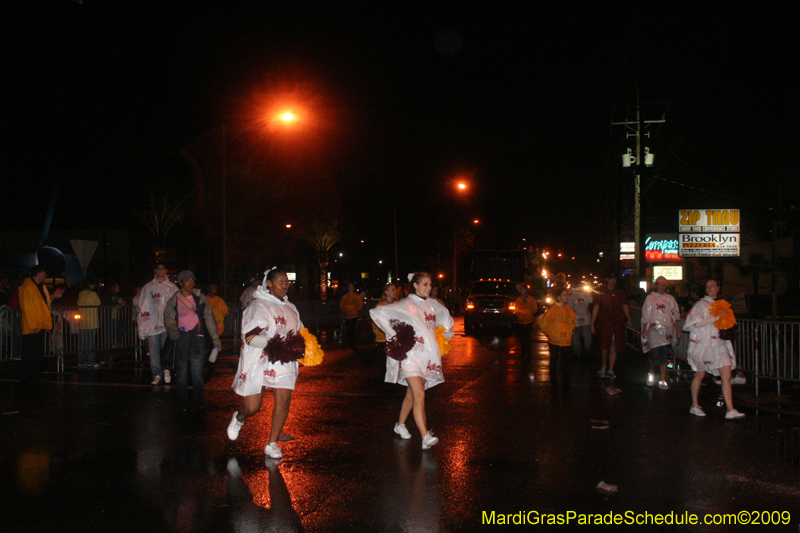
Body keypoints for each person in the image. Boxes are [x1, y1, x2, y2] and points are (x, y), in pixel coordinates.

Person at [370, 272, 454, 450]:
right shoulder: (405, 304)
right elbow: (377, 313)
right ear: (414, 285)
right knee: (420, 394)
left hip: (428, 356)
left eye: (430, 285)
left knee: (412, 394)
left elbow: (447, 320)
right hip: (410, 356)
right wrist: (395, 336)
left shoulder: (433, 305)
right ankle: (425, 436)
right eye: (425, 284)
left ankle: (400, 424)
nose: (428, 288)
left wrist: (442, 336)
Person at [227, 269, 305, 459]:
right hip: (261, 360)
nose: (285, 285)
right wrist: (274, 344)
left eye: (287, 282)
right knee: (252, 407)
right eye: (280, 282)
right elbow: (249, 336)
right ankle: (239, 417)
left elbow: (300, 330)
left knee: (284, 401)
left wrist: (303, 345)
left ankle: (271, 444)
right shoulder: (259, 305)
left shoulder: (291, 307)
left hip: (284, 360)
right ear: (269, 283)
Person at [684, 279, 745, 419]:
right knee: (700, 375)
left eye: (713, 286)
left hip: (719, 344)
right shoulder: (700, 304)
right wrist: (715, 318)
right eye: (707, 286)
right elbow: (693, 324)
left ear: (718, 288)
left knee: (726, 376)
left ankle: (730, 409)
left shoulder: (722, 305)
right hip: (703, 345)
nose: (710, 288)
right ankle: (694, 405)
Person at [164, 271, 221, 413]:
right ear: (181, 282)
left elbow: (209, 318)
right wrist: (174, 334)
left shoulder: (199, 297)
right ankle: (183, 403)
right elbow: (168, 318)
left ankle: (200, 402)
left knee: (197, 373)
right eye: (187, 280)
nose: (190, 283)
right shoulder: (174, 299)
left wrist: (216, 340)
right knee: (181, 373)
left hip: (198, 339)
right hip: (181, 339)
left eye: (192, 280)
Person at [18, 266, 64, 383]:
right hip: (32, 326)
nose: (46, 275)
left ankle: (34, 374)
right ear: (38, 273)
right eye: (44, 272)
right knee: (30, 352)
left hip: (39, 325)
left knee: (37, 352)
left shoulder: (41, 287)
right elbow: (27, 308)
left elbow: (44, 305)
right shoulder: (27, 287)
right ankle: (27, 376)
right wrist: (34, 325)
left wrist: (53, 296)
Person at [137, 263, 179, 385]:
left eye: (163, 268)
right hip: (152, 324)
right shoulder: (148, 287)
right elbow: (143, 304)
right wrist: (144, 322)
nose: (161, 270)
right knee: (153, 351)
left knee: (168, 350)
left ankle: (166, 370)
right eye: (158, 268)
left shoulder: (172, 287)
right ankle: (156, 374)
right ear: (155, 270)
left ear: (166, 270)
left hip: (167, 324)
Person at [641, 276, 681, 389]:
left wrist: (677, 329)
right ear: (656, 285)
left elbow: (675, 315)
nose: (663, 287)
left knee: (664, 356)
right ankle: (651, 373)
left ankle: (662, 379)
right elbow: (646, 314)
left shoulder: (670, 299)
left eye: (665, 285)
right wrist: (645, 328)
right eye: (661, 284)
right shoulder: (650, 298)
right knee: (654, 355)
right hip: (654, 331)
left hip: (667, 331)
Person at [591, 273, 632, 379]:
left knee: (614, 346)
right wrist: (592, 322)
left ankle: (610, 369)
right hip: (605, 323)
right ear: (607, 280)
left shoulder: (620, 292)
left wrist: (628, 318)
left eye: (614, 279)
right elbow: (596, 306)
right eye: (611, 279)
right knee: (605, 345)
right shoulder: (601, 292)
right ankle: (604, 365)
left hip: (617, 323)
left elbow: (624, 305)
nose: (613, 282)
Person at [539, 288, 577, 392]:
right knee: (554, 362)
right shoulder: (553, 310)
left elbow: (573, 323)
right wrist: (550, 333)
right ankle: (554, 383)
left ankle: (565, 383)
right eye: (564, 295)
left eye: (567, 295)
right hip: (554, 341)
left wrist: (568, 332)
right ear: (559, 297)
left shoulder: (569, 311)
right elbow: (543, 323)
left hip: (566, 342)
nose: (566, 297)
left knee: (565, 363)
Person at [77, 279, 102, 368]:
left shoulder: (80, 294)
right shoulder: (93, 294)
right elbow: (98, 302)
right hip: (92, 321)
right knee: (90, 343)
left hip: (83, 322)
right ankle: (90, 361)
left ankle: (81, 361)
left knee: (82, 343)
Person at [567, 287, 593, 360]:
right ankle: (576, 356)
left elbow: (591, 303)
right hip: (575, 321)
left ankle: (587, 355)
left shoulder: (587, 294)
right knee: (575, 340)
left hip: (586, 320)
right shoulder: (572, 295)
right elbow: (569, 307)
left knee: (587, 340)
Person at [514, 283, 538, 360]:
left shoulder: (531, 299)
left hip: (528, 321)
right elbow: (517, 309)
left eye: (523, 289)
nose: (522, 291)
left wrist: (530, 314)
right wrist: (521, 315)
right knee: (523, 337)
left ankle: (528, 352)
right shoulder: (518, 300)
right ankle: (524, 351)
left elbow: (535, 308)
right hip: (521, 321)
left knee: (527, 337)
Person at [371, 283, 397, 353]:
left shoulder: (397, 305)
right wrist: (382, 333)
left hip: (394, 338)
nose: (395, 292)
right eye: (392, 290)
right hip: (382, 339)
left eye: (395, 290)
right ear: (386, 292)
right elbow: (375, 323)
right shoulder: (380, 306)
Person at [340, 283, 363, 350]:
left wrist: (356, 310)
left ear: (353, 288)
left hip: (354, 315)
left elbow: (360, 304)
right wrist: (345, 311)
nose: (350, 288)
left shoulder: (357, 296)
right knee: (349, 329)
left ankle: (352, 342)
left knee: (353, 329)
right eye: (349, 287)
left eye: (351, 287)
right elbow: (342, 305)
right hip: (347, 316)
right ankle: (350, 342)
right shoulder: (344, 296)